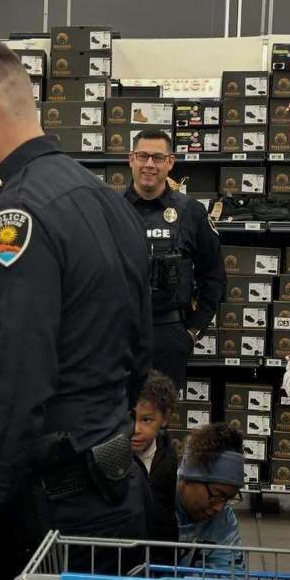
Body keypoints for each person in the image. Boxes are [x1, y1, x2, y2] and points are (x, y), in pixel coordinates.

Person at [0, 40, 154, 580]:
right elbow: (138, 353)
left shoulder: (15, 220)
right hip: (117, 498)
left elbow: (14, 392)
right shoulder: (104, 200)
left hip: (50, 524)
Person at [125, 130, 225, 391]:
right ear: (131, 159)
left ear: (170, 162)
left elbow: (213, 275)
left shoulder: (190, 211)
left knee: (159, 423)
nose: (149, 164)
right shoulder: (110, 208)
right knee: (112, 421)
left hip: (168, 333)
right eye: (143, 156)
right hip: (118, 335)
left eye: (157, 158)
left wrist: (193, 331)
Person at [175, 422, 246, 571]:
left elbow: (231, 578)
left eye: (227, 499)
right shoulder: (153, 503)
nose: (219, 507)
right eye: (217, 495)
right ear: (190, 477)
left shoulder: (224, 522)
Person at [132, 370, 179, 541]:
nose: (135, 429)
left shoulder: (167, 457)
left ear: (165, 418)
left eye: (146, 420)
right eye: (130, 418)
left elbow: (166, 516)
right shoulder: (111, 457)